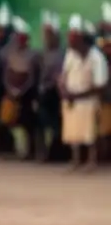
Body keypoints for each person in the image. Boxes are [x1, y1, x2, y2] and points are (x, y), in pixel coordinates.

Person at [60, 15, 108, 172]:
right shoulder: (70, 55)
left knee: (90, 133)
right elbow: (63, 76)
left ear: (82, 39)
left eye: (74, 38)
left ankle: (91, 160)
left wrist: (79, 95)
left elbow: (100, 85)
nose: (70, 41)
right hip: (71, 99)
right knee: (73, 133)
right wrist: (64, 90)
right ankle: (75, 160)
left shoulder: (96, 57)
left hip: (89, 100)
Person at [0, 18, 40, 159]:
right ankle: (18, 150)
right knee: (11, 122)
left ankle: (28, 151)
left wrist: (21, 91)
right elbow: (6, 74)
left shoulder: (33, 55)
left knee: (27, 123)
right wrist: (10, 89)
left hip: (26, 95)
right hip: (11, 92)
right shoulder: (9, 53)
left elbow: (32, 77)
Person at [36, 12, 66, 162]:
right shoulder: (42, 53)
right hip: (44, 92)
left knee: (55, 125)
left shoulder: (62, 53)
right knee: (44, 124)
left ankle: (56, 154)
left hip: (55, 93)